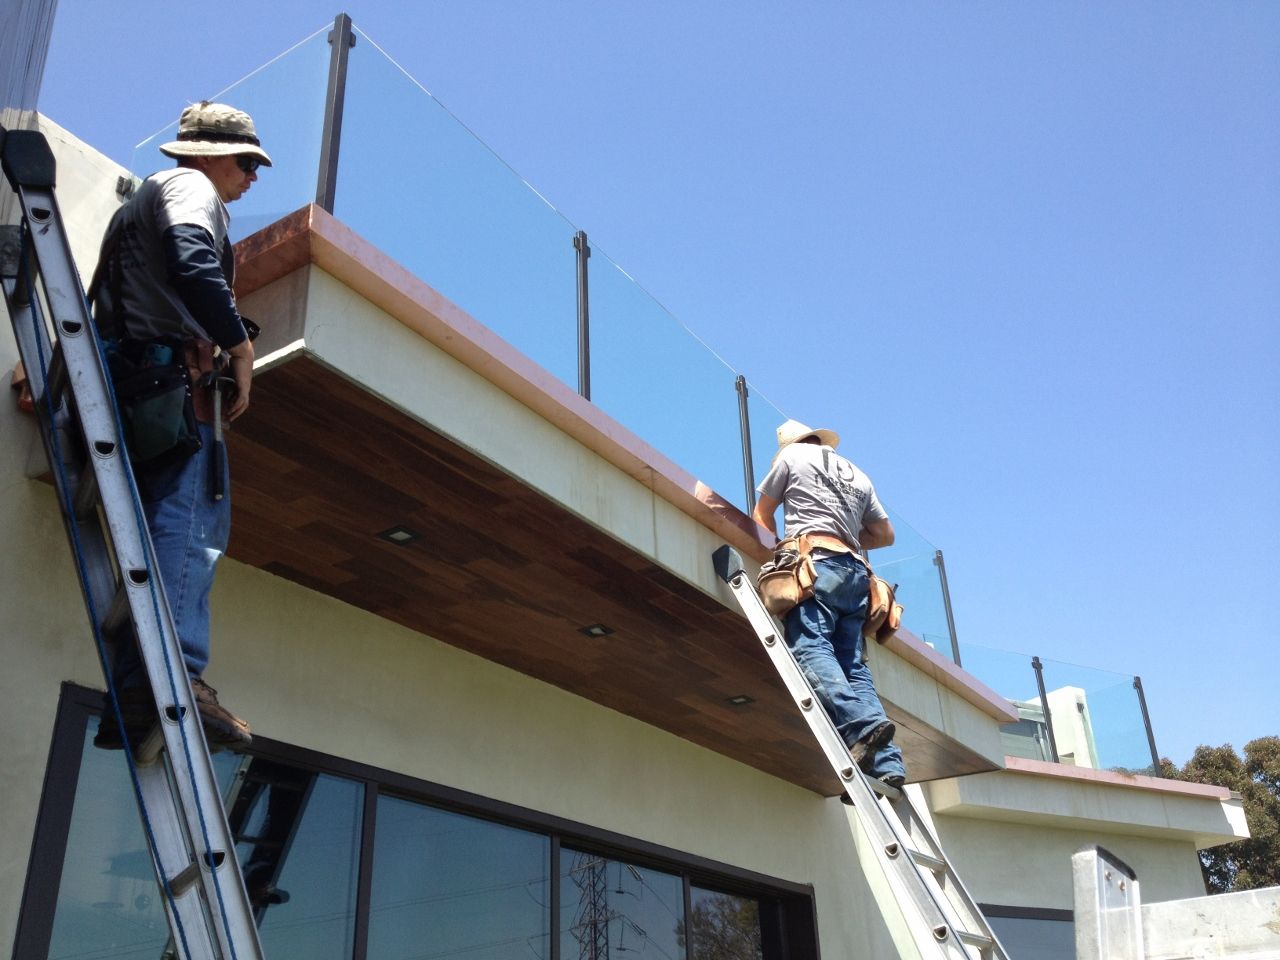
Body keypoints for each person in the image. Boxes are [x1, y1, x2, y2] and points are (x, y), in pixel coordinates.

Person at [91, 101, 270, 750]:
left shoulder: (138, 206)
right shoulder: (189, 186)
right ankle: (179, 677)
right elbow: (193, 259)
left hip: (134, 382)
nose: (253, 177)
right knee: (192, 521)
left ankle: (138, 692)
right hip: (165, 384)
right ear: (207, 152)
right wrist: (238, 347)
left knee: (163, 529)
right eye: (247, 162)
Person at [752, 419, 907, 790]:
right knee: (853, 666)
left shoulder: (790, 459)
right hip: (857, 576)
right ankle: (887, 763)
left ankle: (862, 726)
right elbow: (885, 535)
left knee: (809, 648)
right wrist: (848, 532)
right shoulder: (857, 473)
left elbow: (761, 515)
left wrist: (777, 552)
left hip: (816, 563)